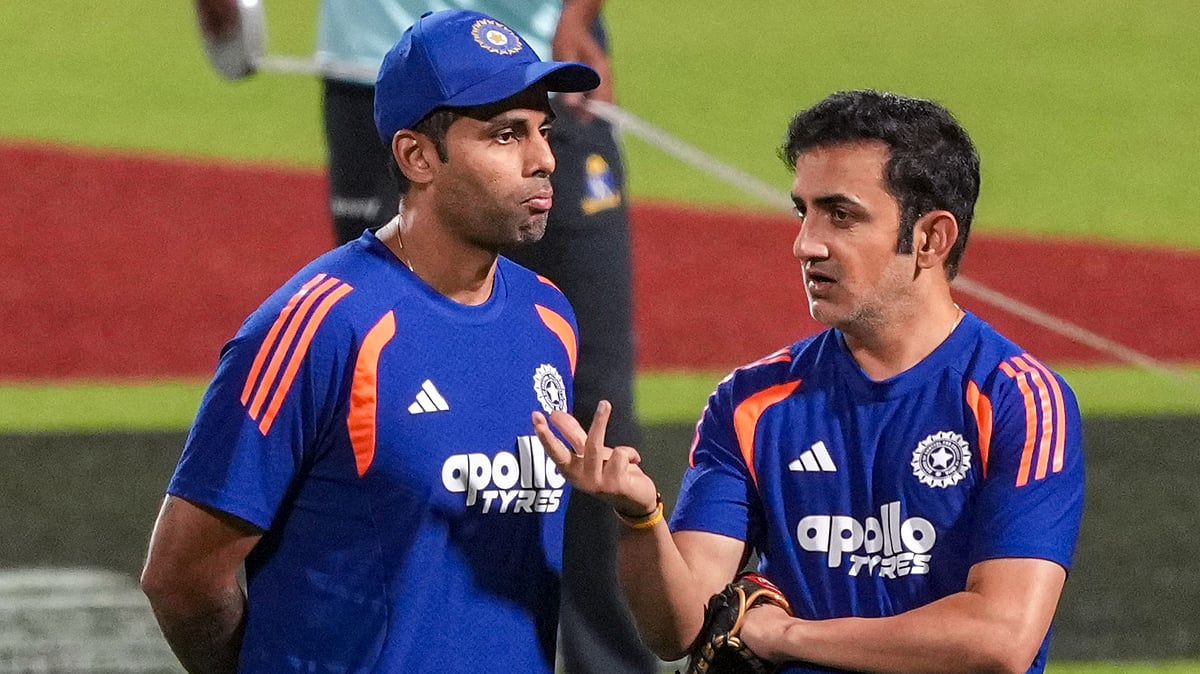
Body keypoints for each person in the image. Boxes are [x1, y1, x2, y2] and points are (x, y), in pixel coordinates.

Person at [534, 90, 1086, 674]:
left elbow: (999, 639)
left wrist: (789, 637)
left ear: (930, 238)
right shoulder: (750, 403)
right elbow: (679, 629)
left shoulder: (1018, 400)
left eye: (841, 215)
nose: (806, 244)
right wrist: (640, 519)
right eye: (804, 211)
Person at [192, 1, 652, 671]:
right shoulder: (318, 321)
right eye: (510, 137)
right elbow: (184, 576)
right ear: (414, 156)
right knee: (385, 415)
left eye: (542, 132)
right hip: (369, 55)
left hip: (534, 40)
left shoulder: (551, 315)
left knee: (584, 424)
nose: (544, 159)